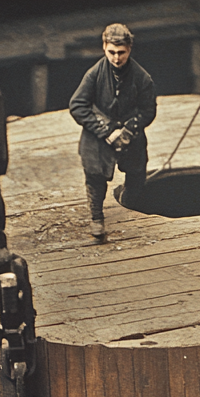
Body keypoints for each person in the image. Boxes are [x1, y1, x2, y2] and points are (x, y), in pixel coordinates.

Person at [69, 23, 157, 240]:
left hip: (131, 132)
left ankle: (131, 204)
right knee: (95, 176)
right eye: (112, 52)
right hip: (99, 134)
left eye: (122, 53)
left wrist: (128, 132)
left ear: (130, 49)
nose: (116, 58)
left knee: (137, 173)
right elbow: (77, 105)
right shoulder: (94, 75)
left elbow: (148, 110)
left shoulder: (142, 77)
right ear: (104, 48)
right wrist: (106, 130)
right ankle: (97, 218)